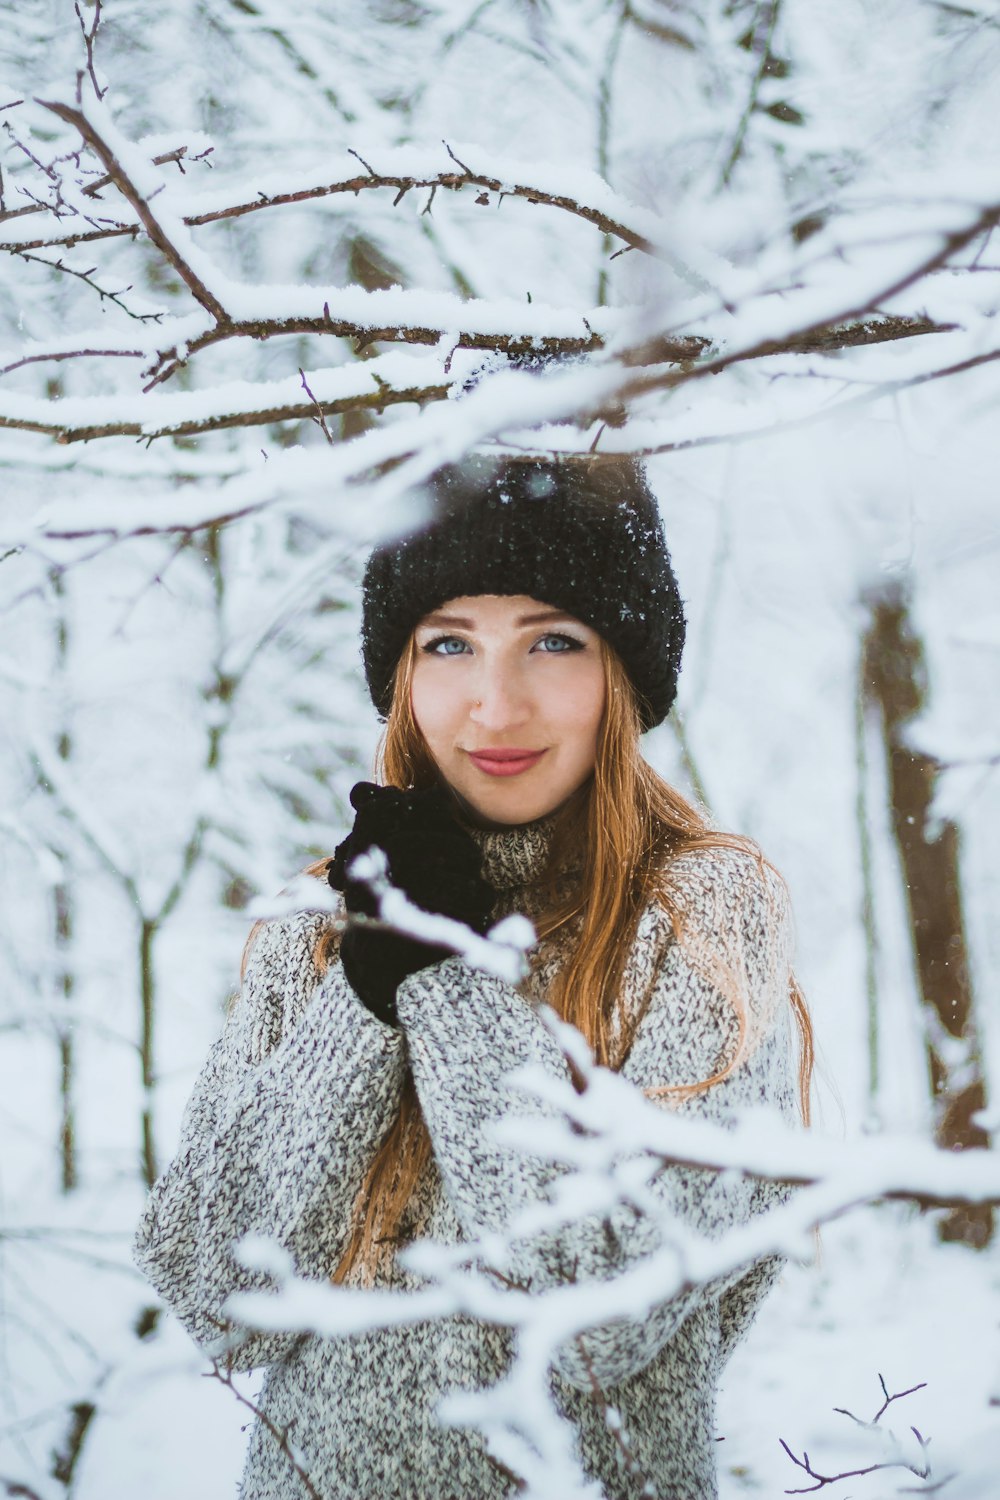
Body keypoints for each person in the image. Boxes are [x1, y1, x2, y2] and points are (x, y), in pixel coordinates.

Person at [133, 455, 812, 1500]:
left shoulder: (701, 915)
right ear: (402, 673)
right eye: (449, 643)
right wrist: (364, 996)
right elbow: (212, 1291)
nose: (496, 705)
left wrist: (445, 978)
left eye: (552, 640)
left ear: (621, 675)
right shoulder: (322, 925)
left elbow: (599, 1310)